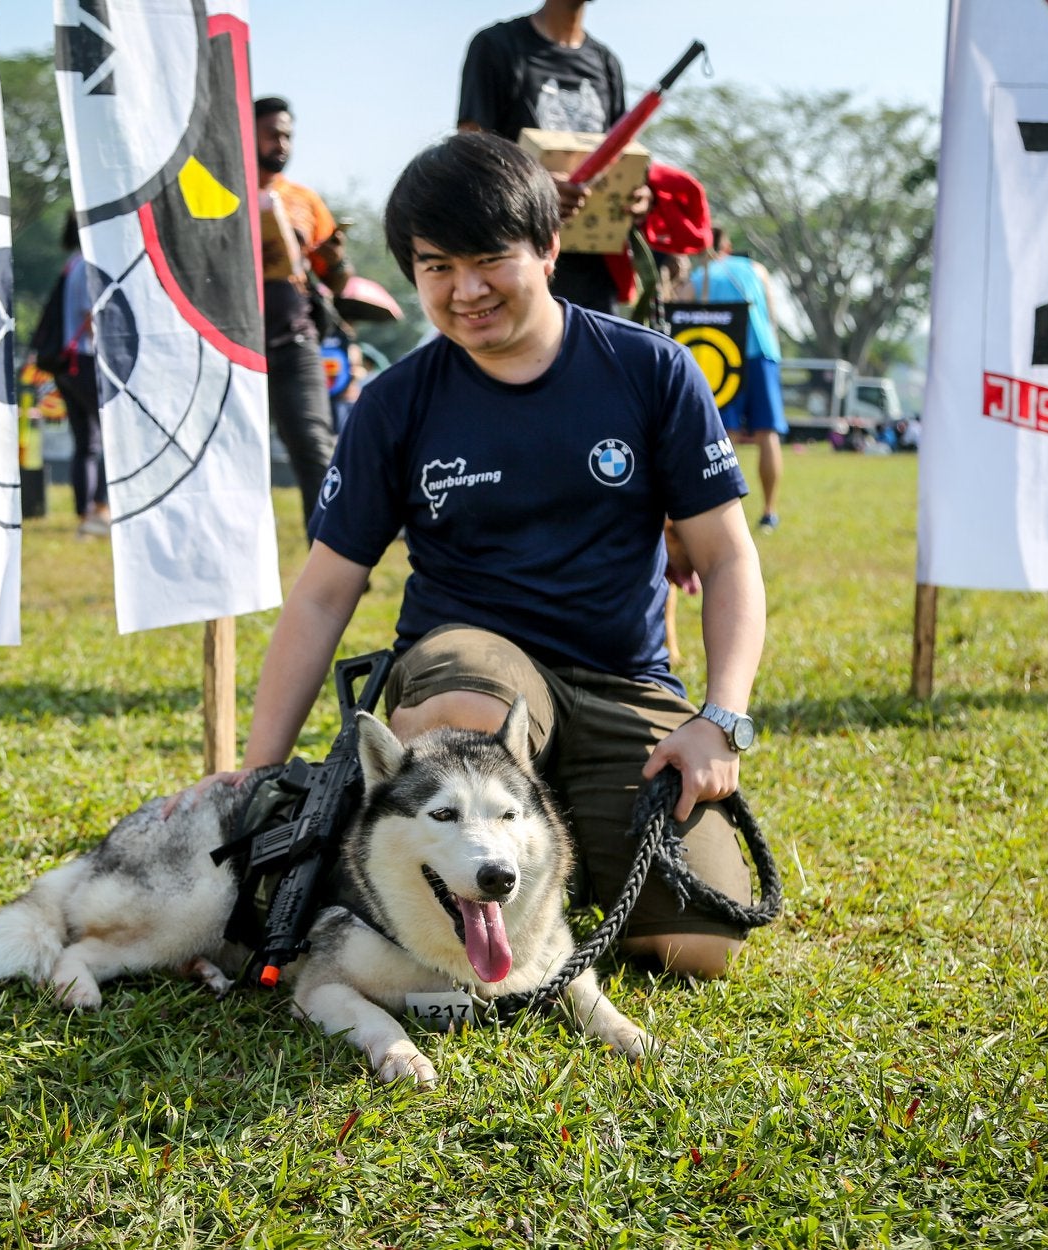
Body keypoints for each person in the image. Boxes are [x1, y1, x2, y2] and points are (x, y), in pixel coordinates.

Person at [189, 134, 768, 979]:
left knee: (695, 950)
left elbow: (725, 560)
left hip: (620, 677)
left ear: (547, 248)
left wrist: (719, 719)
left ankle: (568, 832)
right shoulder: (395, 403)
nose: (465, 291)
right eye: (435, 267)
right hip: (472, 663)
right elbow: (321, 596)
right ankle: (461, 874)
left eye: (490, 258)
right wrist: (257, 772)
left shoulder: (651, 371)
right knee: (457, 713)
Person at [457, 0, 637, 315]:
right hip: (519, 264)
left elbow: (622, 155)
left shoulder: (606, 62)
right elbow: (470, 156)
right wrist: (538, 191)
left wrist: (637, 195)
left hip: (594, 271)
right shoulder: (497, 46)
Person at [255, 96, 348, 530]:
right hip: (231, 342)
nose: (282, 143)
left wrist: (335, 259)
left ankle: (331, 561)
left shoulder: (305, 201)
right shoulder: (217, 192)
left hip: (295, 340)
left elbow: (339, 283)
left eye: (288, 135)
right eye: (272, 132)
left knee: (316, 447)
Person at [702, 226, 787, 532]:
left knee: (724, 436)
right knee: (768, 433)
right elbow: (772, 316)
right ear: (727, 245)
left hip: (721, 360)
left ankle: (728, 514)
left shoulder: (699, 277)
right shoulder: (755, 269)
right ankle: (769, 512)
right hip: (762, 353)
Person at [33, 214, 112, 537]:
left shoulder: (71, 263)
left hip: (65, 364)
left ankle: (85, 512)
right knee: (111, 435)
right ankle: (102, 507)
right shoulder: (89, 266)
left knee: (85, 441)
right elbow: (91, 316)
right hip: (85, 359)